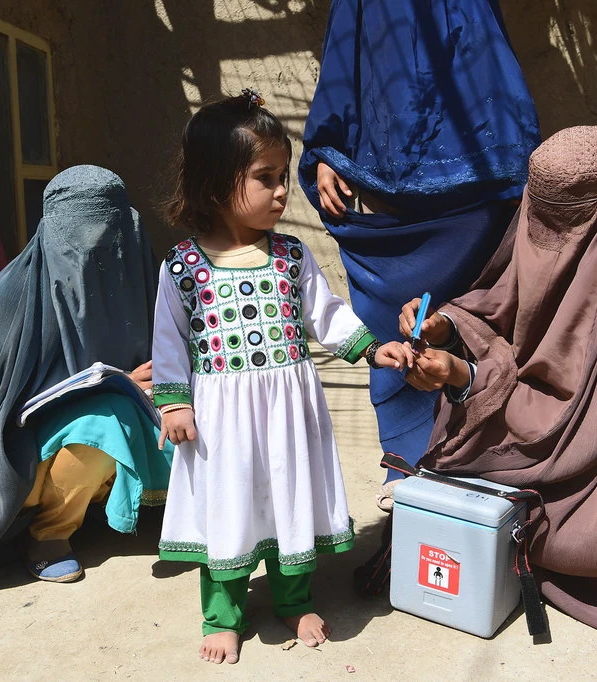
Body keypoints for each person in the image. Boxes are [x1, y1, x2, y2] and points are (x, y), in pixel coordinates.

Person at [399, 126, 597, 647]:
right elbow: (501, 304)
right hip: (526, 436)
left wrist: (467, 377)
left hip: (595, 468)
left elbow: (574, 420)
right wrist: (447, 324)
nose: (543, 236)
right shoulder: (564, 232)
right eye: (537, 213)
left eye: (562, 221)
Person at [152, 91, 413, 665]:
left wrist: (372, 348)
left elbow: (328, 314)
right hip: (220, 420)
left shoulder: (291, 256)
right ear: (218, 183)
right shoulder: (183, 268)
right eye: (265, 177)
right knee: (229, 507)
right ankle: (222, 613)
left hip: (289, 411)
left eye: (283, 176)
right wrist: (174, 403)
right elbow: (169, 341)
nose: (281, 192)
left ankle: (294, 599)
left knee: (290, 499)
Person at [300, 0, 541, 511]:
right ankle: (406, 461)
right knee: (390, 319)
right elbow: (345, 59)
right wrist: (326, 150)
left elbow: (489, 63)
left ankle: (479, 462)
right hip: (388, 179)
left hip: (478, 193)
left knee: (477, 320)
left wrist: (514, 164)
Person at [0, 166, 172, 594]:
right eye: (84, 238)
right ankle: (49, 532)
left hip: (121, 435)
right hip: (20, 461)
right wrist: (103, 388)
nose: (99, 251)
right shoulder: (8, 303)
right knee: (105, 415)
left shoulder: (144, 276)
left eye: (112, 234)